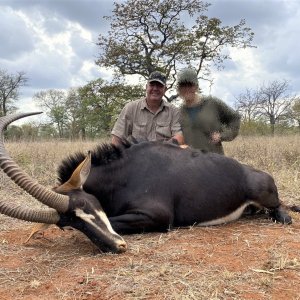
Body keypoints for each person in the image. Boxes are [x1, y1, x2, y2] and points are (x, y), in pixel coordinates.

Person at [177, 68, 240, 154]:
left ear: (196, 86)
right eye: (183, 85)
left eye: (190, 85)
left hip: (214, 161)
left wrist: (223, 135)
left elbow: (235, 118)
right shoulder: (179, 112)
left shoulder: (212, 103)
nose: (187, 89)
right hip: (191, 162)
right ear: (179, 89)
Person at [111, 71, 184, 146]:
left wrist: (159, 149)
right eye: (152, 85)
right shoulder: (130, 108)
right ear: (146, 87)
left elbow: (179, 137)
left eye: (159, 86)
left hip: (164, 155)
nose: (155, 88)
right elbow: (117, 138)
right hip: (137, 156)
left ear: (165, 89)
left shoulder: (174, 111)